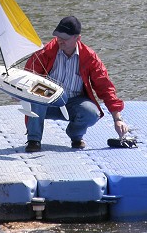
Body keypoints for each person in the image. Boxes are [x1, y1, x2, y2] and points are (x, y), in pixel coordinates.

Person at [23, 16, 129, 152]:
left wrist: (117, 119)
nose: (60, 40)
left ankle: (75, 136)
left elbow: (105, 88)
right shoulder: (44, 53)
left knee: (92, 113)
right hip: (47, 101)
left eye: (65, 38)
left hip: (74, 102)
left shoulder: (90, 57)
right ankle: (34, 140)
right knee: (35, 96)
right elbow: (27, 77)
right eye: (58, 36)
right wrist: (18, 91)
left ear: (77, 38)